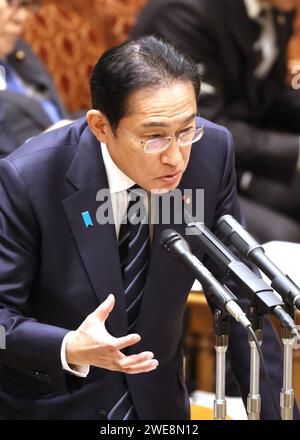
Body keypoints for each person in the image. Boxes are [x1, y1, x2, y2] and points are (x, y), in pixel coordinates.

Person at [0, 35, 296, 420]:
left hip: (160, 409)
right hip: (55, 405)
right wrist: (68, 345)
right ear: (101, 126)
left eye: (188, 129)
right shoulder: (29, 179)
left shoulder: (210, 153)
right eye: (153, 137)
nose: (175, 157)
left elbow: (240, 294)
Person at [132, 0, 300, 243]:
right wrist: (294, 151)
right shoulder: (180, 14)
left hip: (241, 159)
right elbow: (201, 126)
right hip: (183, 176)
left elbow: (265, 95)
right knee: (286, 239)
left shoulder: (277, 6)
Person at [0, 0, 73, 158]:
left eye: (25, 6)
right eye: (11, 3)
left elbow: (57, 112)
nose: (22, 17)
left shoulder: (17, 49)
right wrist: (41, 146)